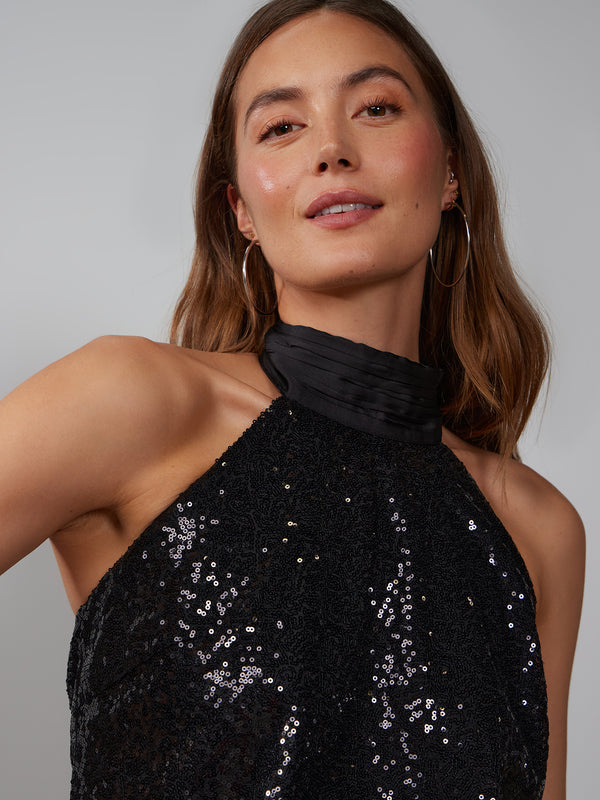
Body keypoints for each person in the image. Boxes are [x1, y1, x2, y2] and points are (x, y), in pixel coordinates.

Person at [0, 0, 585, 798]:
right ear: (240, 208)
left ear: (450, 171)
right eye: (281, 126)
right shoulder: (136, 403)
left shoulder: (536, 530)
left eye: (376, 109)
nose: (332, 150)